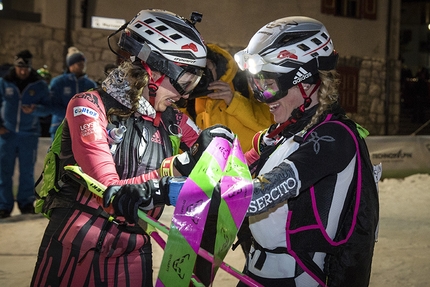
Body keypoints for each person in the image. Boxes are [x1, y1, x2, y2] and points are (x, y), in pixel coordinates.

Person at [30, 9, 232, 287]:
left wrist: (241, 144)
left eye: (193, 84)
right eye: (184, 81)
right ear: (155, 69)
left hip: (132, 252)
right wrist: (176, 171)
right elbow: (109, 189)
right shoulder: (88, 106)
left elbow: (230, 167)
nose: (185, 94)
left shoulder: (174, 120)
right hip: (76, 249)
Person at [233, 16, 380, 287]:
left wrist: (175, 191)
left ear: (307, 82)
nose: (263, 96)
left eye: (270, 84)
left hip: (298, 278)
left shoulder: (335, 136)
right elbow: (233, 168)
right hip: (254, 272)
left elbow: (260, 194)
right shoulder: (280, 133)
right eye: (257, 85)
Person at [184, 43, 274, 286]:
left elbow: (269, 126)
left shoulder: (246, 82)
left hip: (251, 184)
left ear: (217, 66)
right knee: (201, 262)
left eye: (207, 69)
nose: (203, 76)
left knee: (261, 261)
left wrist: (234, 100)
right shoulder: (195, 99)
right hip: (214, 186)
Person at [0, 50, 51, 218]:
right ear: (15, 66)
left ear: (30, 67)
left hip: (28, 135)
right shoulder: (4, 82)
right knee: (4, 171)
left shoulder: (39, 85)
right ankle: (4, 205)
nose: (23, 71)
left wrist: (36, 110)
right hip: (6, 134)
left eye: (26, 68)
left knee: (27, 170)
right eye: (20, 67)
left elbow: (49, 107)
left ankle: (26, 202)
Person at [49, 46, 97, 140]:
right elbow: (52, 105)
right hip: (60, 127)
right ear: (70, 65)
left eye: (83, 63)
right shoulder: (59, 82)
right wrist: (71, 115)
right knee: (58, 154)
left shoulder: (90, 84)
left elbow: (95, 106)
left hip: (83, 129)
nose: (82, 65)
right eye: (79, 63)